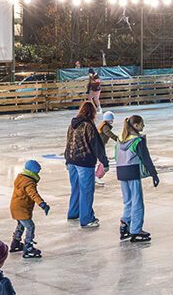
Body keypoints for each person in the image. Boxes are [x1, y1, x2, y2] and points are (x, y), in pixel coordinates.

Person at [64, 101, 109, 229]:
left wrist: (67, 159)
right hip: (84, 161)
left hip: (71, 160)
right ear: (92, 112)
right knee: (86, 190)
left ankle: (73, 213)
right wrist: (104, 162)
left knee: (76, 188)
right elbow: (96, 145)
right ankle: (86, 219)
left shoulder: (72, 125)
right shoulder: (88, 125)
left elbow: (68, 142)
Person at [116, 115, 160, 242]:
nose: (143, 126)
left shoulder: (121, 139)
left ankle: (125, 223)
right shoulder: (137, 141)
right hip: (132, 171)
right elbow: (146, 158)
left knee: (128, 200)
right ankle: (136, 230)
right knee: (137, 201)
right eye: (142, 124)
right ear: (135, 125)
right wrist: (154, 174)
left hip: (121, 171)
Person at [10, 160, 50, 258]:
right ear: (33, 172)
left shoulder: (21, 178)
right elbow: (33, 194)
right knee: (30, 226)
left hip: (15, 207)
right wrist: (42, 204)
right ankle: (28, 248)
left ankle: (15, 243)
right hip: (22, 209)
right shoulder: (29, 183)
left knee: (21, 225)